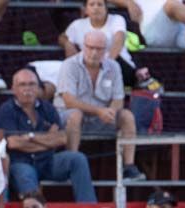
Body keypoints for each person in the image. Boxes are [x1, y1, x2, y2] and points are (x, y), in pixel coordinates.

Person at [0, 69, 96, 202]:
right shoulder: (7, 109)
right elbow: (13, 143)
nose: (27, 89)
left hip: (48, 161)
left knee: (77, 159)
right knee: (25, 173)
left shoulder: (47, 108)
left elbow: (61, 138)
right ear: (13, 89)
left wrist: (30, 137)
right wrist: (47, 139)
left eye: (32, 84)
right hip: (21, 162)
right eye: (22, 84)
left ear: (38, 88)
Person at [57, 30, 144, 181]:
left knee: (127, 116)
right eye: (90, 47)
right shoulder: (69, 65)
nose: (94, 52)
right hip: (71, 118)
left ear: (106, 50)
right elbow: (69, 101)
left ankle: (129, 167)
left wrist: (111, 111)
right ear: (83, 46)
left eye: (99, 49)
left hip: (102, 118)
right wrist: (99, 111)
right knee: (75, 114)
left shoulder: (114, 67)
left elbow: (118, 99)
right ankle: (70, 167)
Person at [61, 0, 135, 90]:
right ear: (85, 9)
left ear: (106, 8)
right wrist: (67, 44)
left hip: (117, 64)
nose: (96, 8)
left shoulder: (117, 19)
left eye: (100, 4)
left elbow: (118, 41)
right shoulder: (77, 25)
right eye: (92, 5)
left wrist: (104, 66)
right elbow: (63, 37)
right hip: (89, 69)